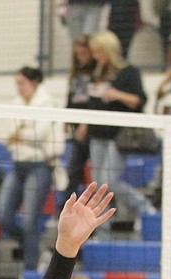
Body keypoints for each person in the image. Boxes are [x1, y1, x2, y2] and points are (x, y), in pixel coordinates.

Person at [86, 31, 157, 237]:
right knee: (96, 184)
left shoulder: (129, 72)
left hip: (119, 137)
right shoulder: (97, 74)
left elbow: (139, 100)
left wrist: (115, 94)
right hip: (97, 134)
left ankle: (142, 205)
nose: (96, 56)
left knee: (108, 180)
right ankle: (102, 230)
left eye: (99, 52)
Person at [0, 66, 62, 270]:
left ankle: (30, 271)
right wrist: (24, 133)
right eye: (17, 83)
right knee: (2, 217)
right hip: (17, 165)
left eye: (22, 83)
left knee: (30, 221)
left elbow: (39, 134)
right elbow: (9, 134)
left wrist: (20, 134)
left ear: (33, 83)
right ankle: (38, 249)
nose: (18, 88)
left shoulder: (48, 103)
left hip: (40, 166)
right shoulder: (15, 104)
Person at [64, 35, 97, 201]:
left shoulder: (96, 73)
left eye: (84, 53)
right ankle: (63, 207)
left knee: (97, 173)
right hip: (77, 128)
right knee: (73, 169)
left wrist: (86, 123)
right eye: (78, 54)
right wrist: (66, 119)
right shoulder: (75, 74)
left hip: (93, 128)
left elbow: (95, 101)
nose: (80, 57)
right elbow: (70, 98)